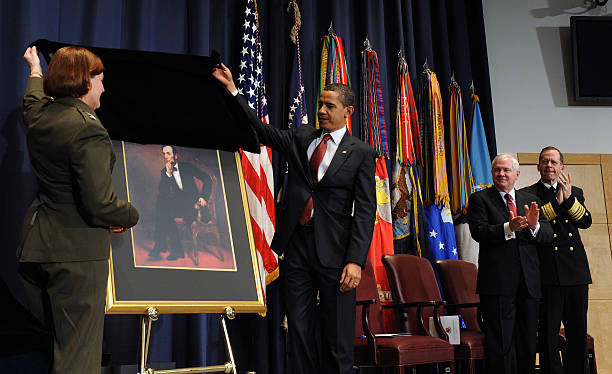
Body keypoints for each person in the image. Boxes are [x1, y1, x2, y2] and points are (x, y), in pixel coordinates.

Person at [213, 63, 376, 374]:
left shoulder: (361, 153)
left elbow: (366, 211)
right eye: (320, 104)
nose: (323, 111)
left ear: (348, 112)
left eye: (331, 106)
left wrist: (356, 260)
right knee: (299, 333)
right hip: (297, 248)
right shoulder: (303, 136)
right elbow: (261, 131)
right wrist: (233, 90)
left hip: (337, 255)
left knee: (337, 339)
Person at [20, 46, 139, 374]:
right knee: (78, 359)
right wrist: (131, 214)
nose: (104, 87)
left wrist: (34, 69)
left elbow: (31, 99)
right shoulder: (88, 129)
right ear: (85, 81)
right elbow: (99, 203)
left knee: (60, 350)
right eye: (100, 80)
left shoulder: (41, 116)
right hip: (77, 258)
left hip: (38, 250)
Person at [466, 153, 552, 374]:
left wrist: (534, 227)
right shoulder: (480, 199)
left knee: (527, 343)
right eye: (497, 170)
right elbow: (478, 232)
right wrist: (508, 228)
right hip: (497, 285)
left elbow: (548, 234)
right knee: (502, 345)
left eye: (506, 170)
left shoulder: (529, 199)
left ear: (517, 174)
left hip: (529, 284)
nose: (501, 174)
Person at [521, 146, 592, 374]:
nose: (549, 166)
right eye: (544, 161)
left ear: (562, 167)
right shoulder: (528, 193)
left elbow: (586, 221)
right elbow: (536, 222)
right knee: (548, 335)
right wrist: (557, 204)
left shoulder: (575, 191)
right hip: (547, 273)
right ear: (538, 166)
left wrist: (569, 199)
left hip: (575, 272)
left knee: (577, 332)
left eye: (553, 162)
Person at [151, 145, 212, 261]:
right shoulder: (165, 172)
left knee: (164, 212)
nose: (165, 157)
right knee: (162, 204)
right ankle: (167, 247)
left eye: (168, 153)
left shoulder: (187, 167)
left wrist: (204, 197)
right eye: (164, 154)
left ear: (176, 156)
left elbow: (207, 179)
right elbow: (163, 192)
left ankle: (162, 246)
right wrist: (168, 175)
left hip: (195, 206)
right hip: (182, 205)